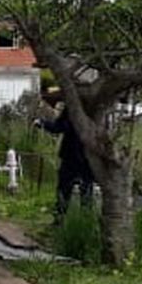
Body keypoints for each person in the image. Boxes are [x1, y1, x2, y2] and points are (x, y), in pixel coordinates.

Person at [35, 87, 94, 223]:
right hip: (89, 155)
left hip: (71, 154)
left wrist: (42, 123)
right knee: (86, 189)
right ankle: (86, 221)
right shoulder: (94, 110)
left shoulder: (71, 110)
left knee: (64, 188)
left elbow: (59, 127)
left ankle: (60, 218)